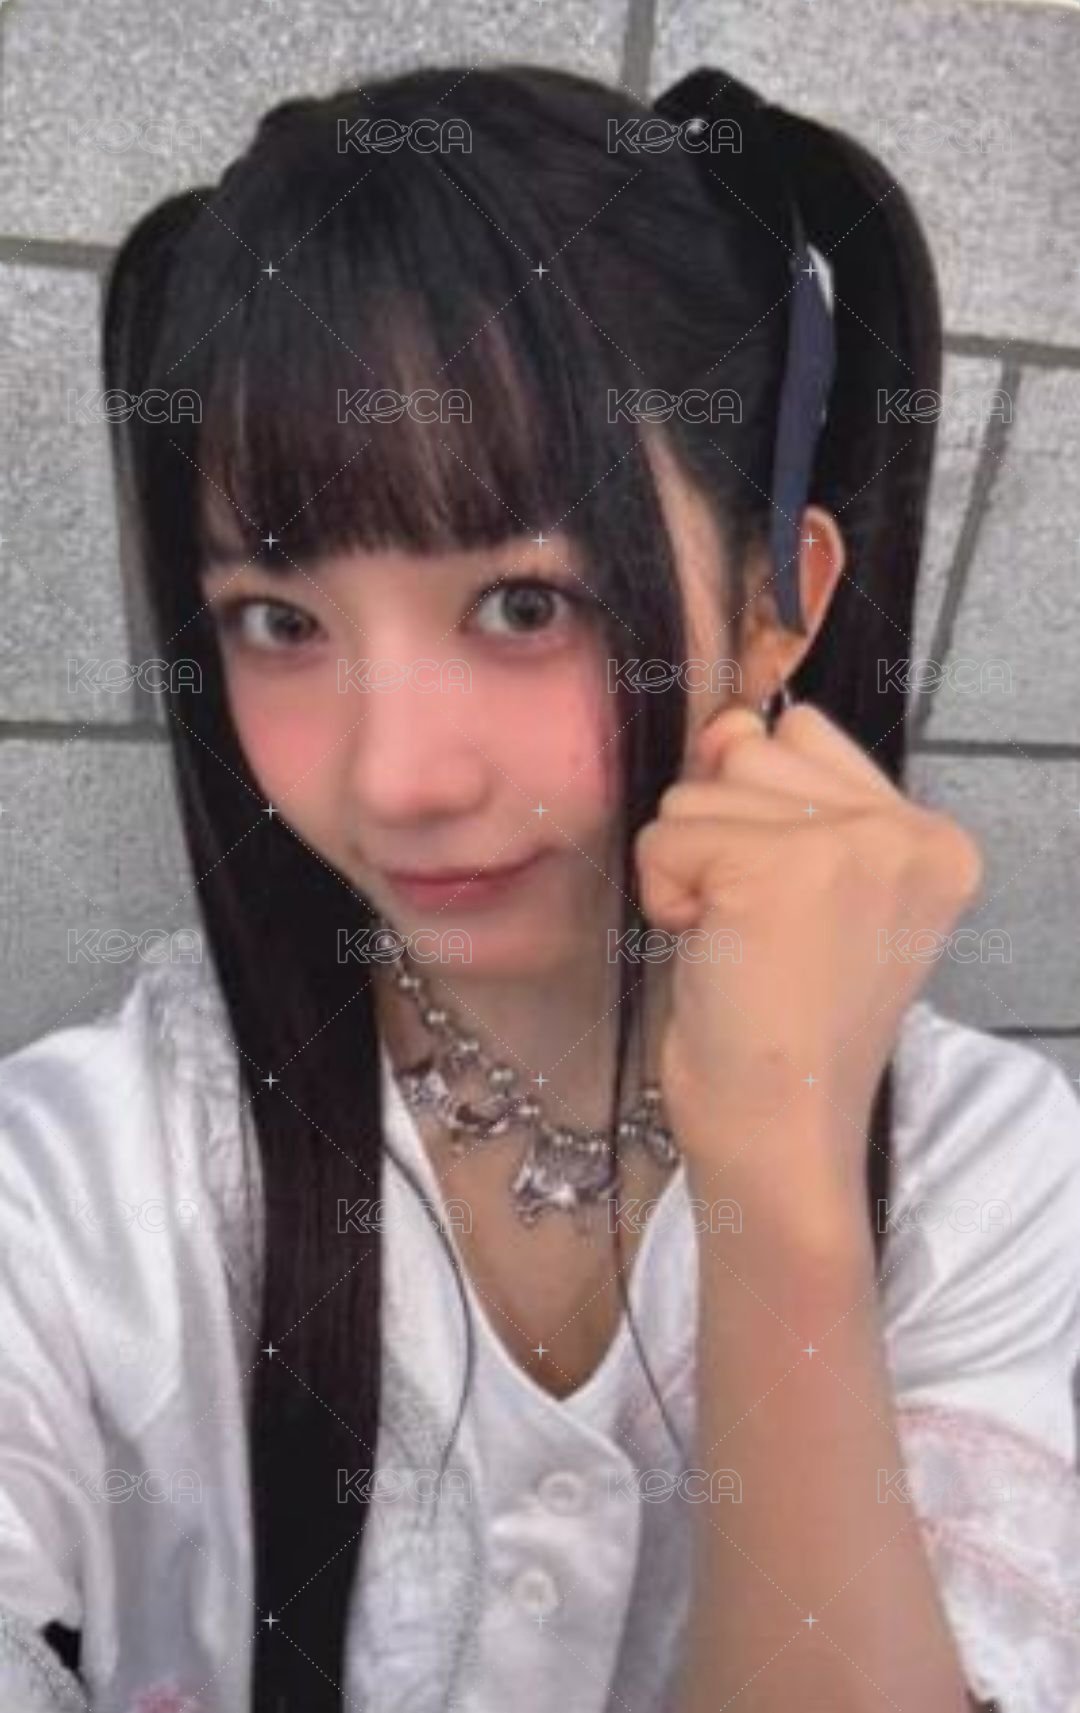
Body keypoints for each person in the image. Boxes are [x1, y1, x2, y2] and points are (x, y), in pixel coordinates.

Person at [0, 59, 1077, 1713]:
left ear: (779, 603)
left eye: (522, 604)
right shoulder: (97, 1175)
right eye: (280, 621)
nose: (393, 776)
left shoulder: (983, 1179)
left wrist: (787, 1181)